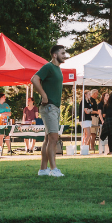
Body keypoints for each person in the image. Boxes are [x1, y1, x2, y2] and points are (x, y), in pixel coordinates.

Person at [32, 44, 68, 177]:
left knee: (48, 139)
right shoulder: (49, 67)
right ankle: (53, 169)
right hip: (49, 107)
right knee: (54, 137)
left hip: (55, 107)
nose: (65, 56)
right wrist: (44, 96)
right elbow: (34, 79)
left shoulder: (58, 69)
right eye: (62, 53)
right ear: (54, 55)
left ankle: (43, 170)